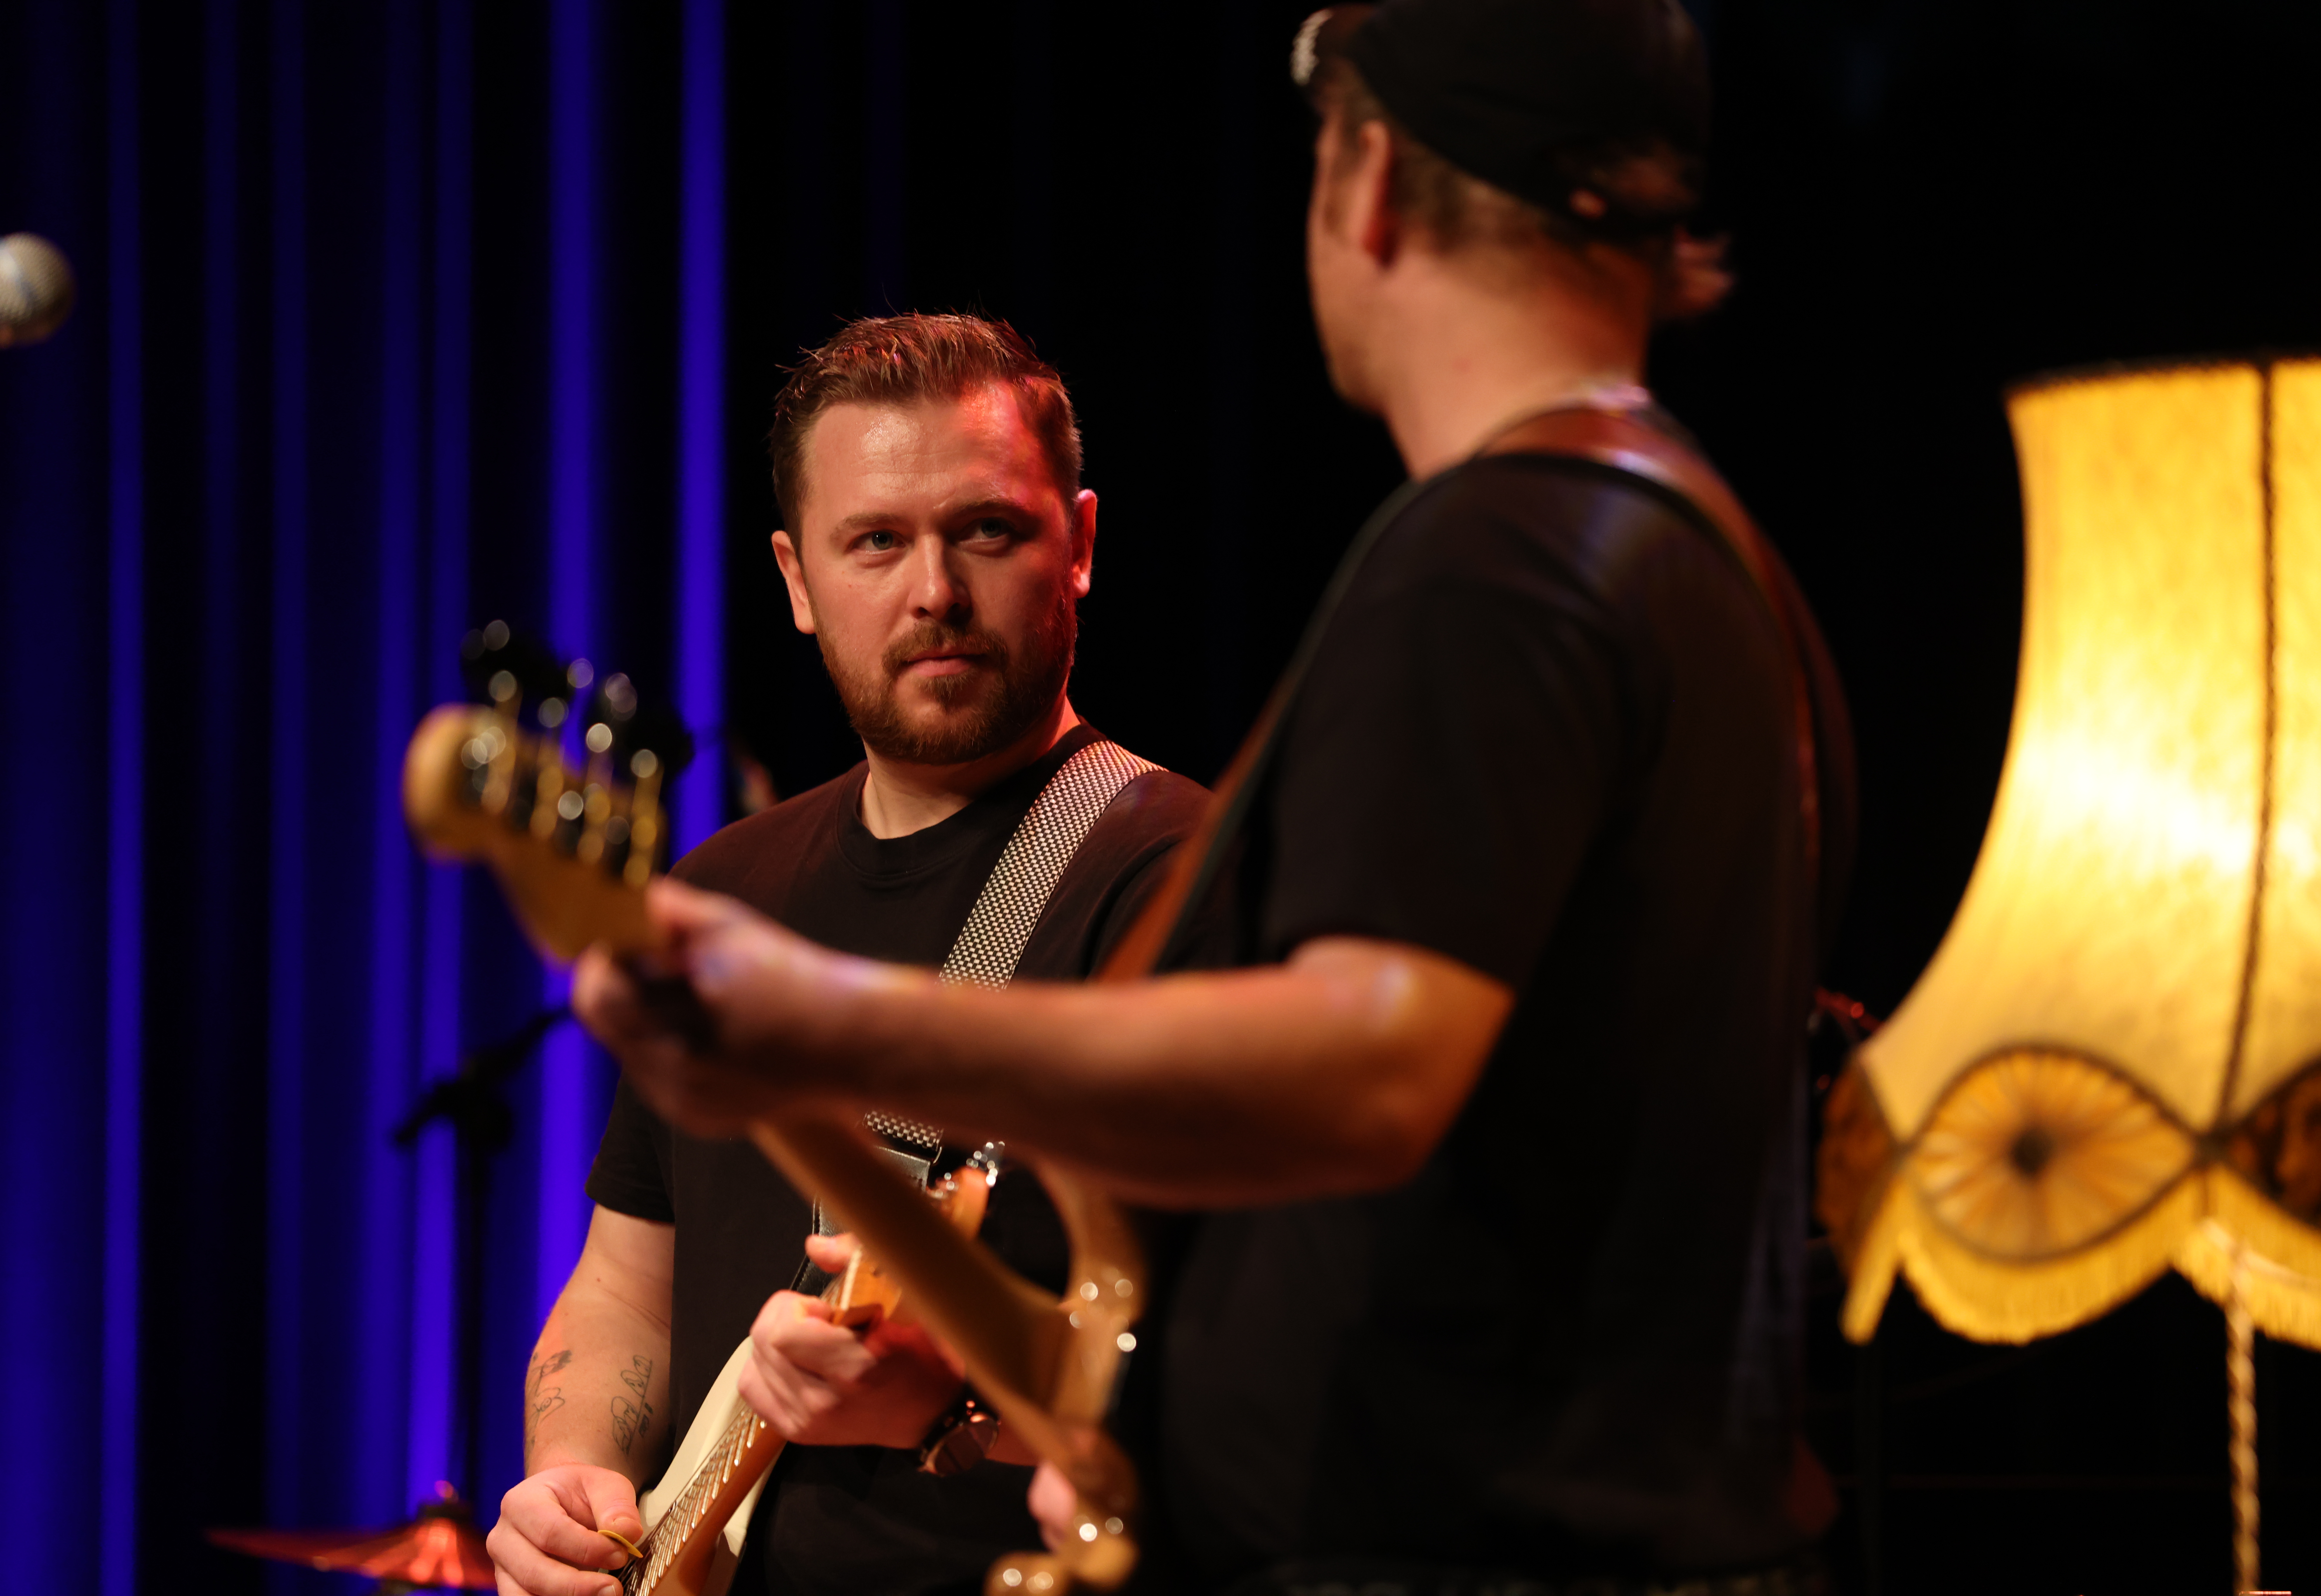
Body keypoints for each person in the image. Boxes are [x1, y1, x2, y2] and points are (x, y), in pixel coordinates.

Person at [576, 1, 1858, 1590]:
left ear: (1368, 176)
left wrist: (827, 1021)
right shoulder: (1687, 545)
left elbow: (1367, 1062)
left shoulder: (1500, 563)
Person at [487, 314, 1214, 1596]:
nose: (933, 590)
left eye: (985, 530)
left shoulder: (1179, 884)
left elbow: (1256, 1368)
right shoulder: (718, 898)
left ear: (1081, 544)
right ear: (796, 578)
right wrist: (569, 1474)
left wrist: (948, 1413)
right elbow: (620, 1289)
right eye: (875, 541)